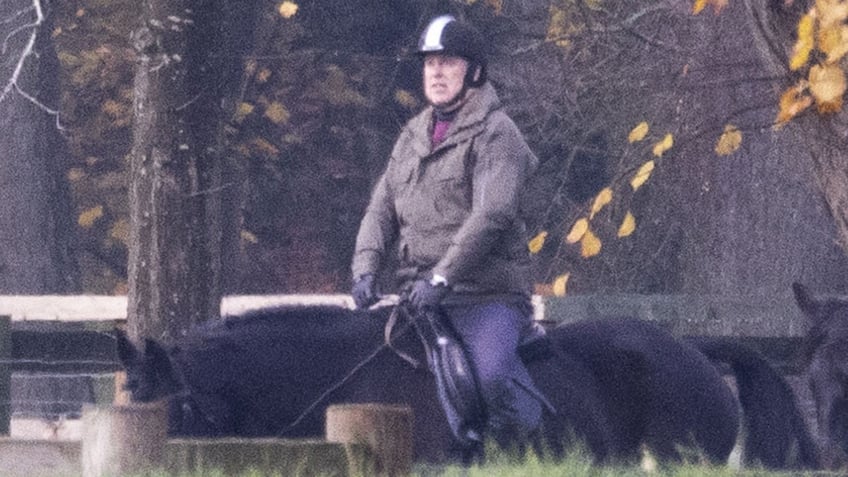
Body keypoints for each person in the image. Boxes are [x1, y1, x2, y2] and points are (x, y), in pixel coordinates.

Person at [350, 14, 545, 451]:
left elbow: (491, 215)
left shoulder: (498, 134)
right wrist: (364, 270)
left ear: (473, 71)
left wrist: (442, 277)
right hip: (419, 295)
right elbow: (380, 208)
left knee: (490, 376)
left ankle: (526, 448)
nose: (435, 72)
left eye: (448, 62)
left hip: (485, 295)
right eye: (429, 63)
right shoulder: (411, 136)